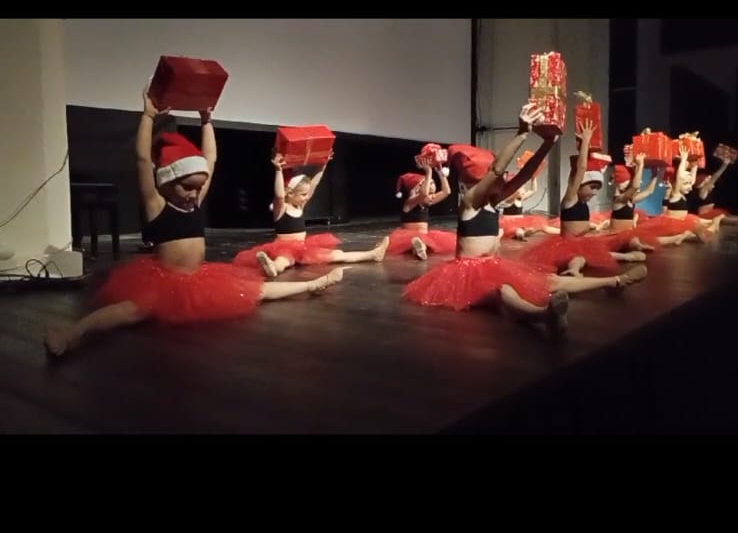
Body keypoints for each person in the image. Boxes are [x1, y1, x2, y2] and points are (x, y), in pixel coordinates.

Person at [44, 90, 343, 356]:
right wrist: (148, 116)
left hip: (199, 276)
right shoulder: (157, 204)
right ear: (167, 181)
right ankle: (72, 333)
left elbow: (210, 159)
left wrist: (206, 121)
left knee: (256, 290)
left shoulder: (196, 201)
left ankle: (313, 284)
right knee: (130, 311)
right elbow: (142, 160)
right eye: (187, 187)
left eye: (198, 187)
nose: (194, 193)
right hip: (165, 279)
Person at [404, 103, 646, 332]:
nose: (503, 181)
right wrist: (521, 133)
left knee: (549, 280)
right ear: (479, 182)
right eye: (497, 180)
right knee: (503, 292)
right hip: (468, 274)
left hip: (493, 265)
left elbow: (525, 174)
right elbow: (496, 169)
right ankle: (543, 315)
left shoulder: (492, 202)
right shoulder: (469, 203)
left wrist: (548, 144)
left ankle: (616, 281)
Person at [519, 122, 650, 274]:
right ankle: (577, 268)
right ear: (580, 184)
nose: (594, 193)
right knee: (578, 257)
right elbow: (581, 169)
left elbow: (634, 186)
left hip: (582, 244)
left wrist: (639, 166)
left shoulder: (582, 202)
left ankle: (623, 257)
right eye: (592, 187)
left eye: (597, 189)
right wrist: (586, 142)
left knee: (588, 255)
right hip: (567, 246)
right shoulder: (570, 199)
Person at [234, 152, 389, 276]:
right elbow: (279, 195)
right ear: (290, 193)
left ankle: (372, 254)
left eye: (306, 195)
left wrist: (323, 165)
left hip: (304, 248)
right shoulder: (281, 209)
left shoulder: (300, 206)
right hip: (284, 248)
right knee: (283, 261)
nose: (306, 197)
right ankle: (273, 268)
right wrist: (278, 170)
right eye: (303, 194)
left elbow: (314, 184)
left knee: (338, 254)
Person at [635, 144, 720, 246]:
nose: (690, 187)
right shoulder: (676, 194)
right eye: (686, 184)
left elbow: (692, 181)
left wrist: (695, 164)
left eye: (689, 184)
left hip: (683, 222)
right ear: (678, 184)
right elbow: (680, 177)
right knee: (699, 231)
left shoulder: (682, 194)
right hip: (672, 224)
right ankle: (697, 233)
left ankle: (692, 234)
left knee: (700, 231)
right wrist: (683, 159)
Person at [386, 160, 456, 259]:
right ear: (415, 188)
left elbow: (446, 192)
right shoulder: (409, 202)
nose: (431, 185)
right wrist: (429, 172)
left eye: (432, 183)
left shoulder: (426, 201)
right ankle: (419, 248)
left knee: (425, 242)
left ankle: (420, 248)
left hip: (425, 235)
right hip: (408, 237)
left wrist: (440, 172)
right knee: (415, 242)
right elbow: (423, 193)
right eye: (427, 183)